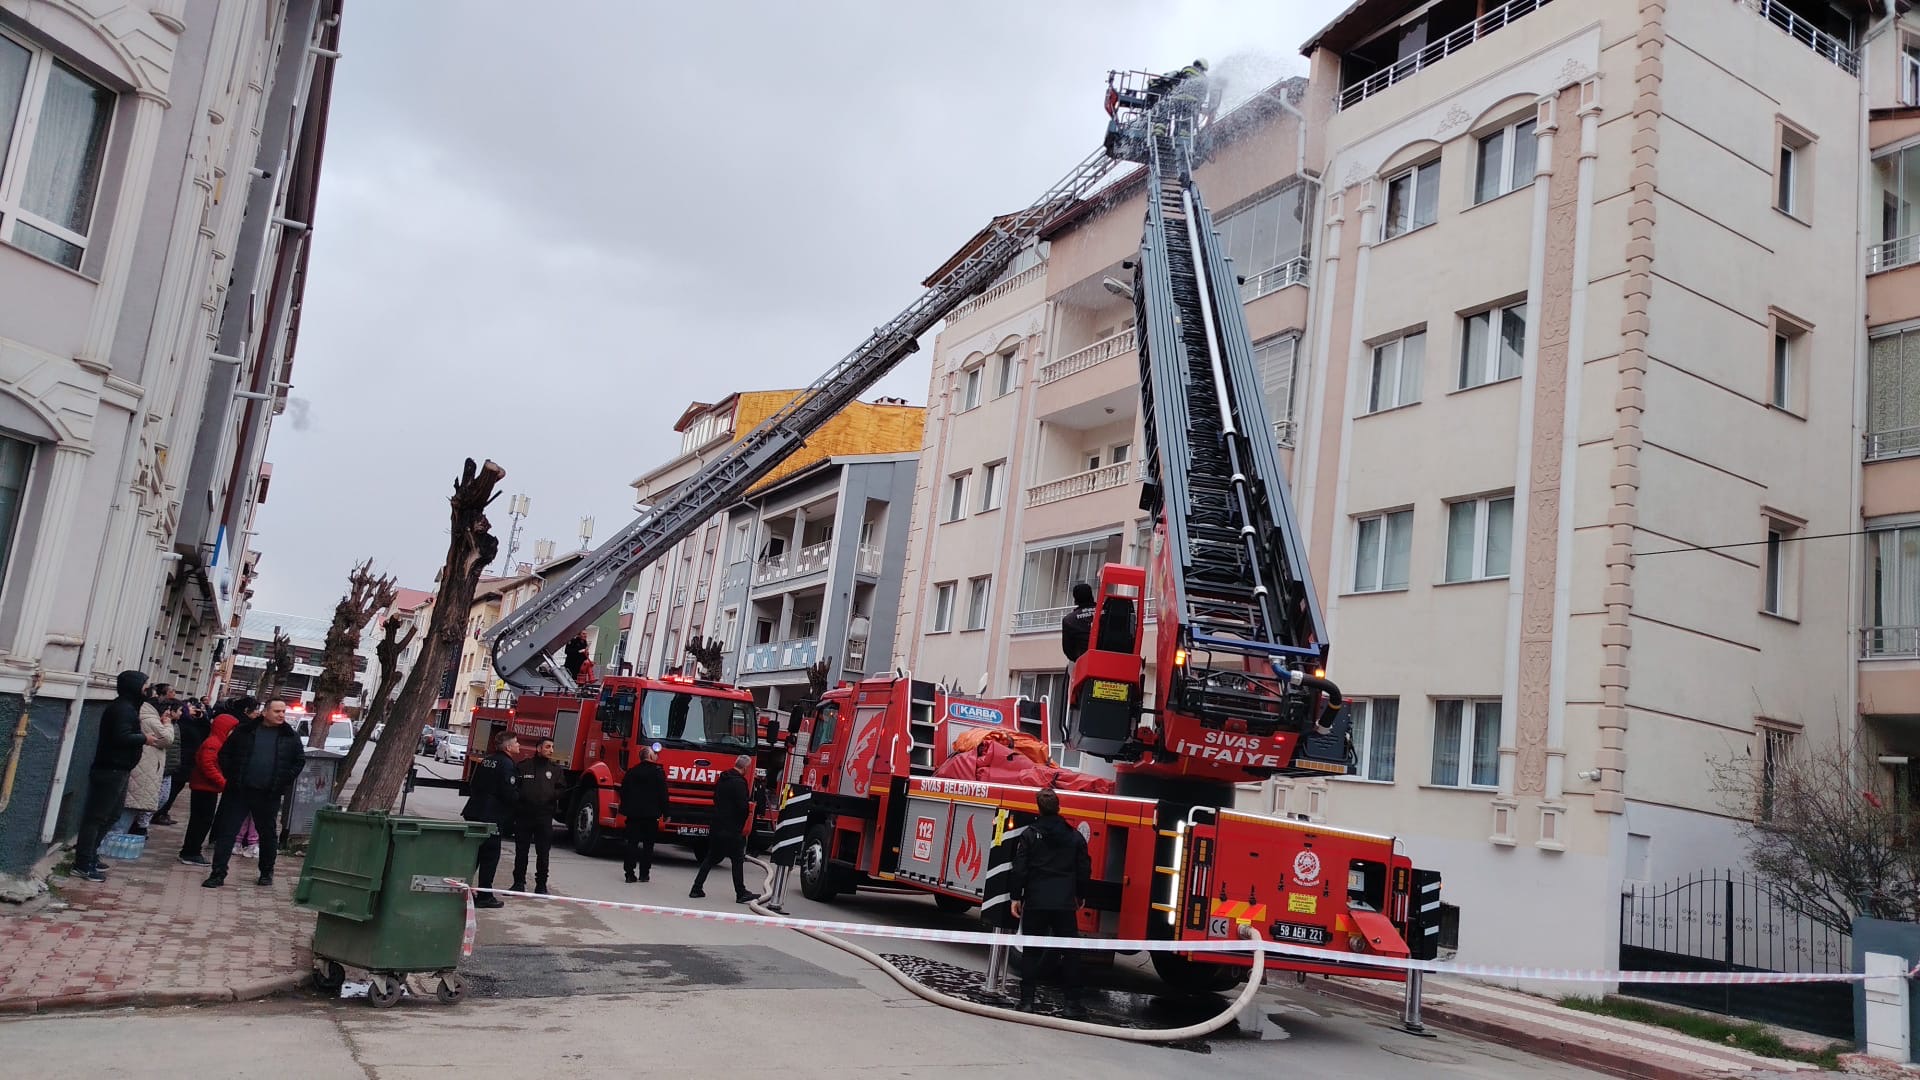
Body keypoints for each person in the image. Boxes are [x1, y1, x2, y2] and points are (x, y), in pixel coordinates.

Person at [70, 671, 164, 882]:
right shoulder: (122, 709)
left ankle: (91, 854)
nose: (148, 689)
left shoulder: (129, 707)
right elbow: (121, 736)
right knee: (96, 817)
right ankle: (82, 864)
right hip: (110, 769)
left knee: (111, 815)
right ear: (134, 687)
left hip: (120, 769)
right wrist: (144, 738)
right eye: (145, 685)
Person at [204, 699, 305, 888]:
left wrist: (284, 779)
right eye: (276, 711)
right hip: (239, 791)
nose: (281, 715)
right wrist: (232, 776)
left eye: (283, 711)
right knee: (227, 833)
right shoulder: (245, 731)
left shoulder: (289, 736)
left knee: (267, 834)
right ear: (265, 712)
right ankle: (217, 873)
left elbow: (299, 761)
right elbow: (225, 754)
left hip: (268, 794)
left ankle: (266, 872)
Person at [1009, 787, 1092, 1013]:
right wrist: (1080, 894)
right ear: (1058, 807)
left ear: (1039, 809)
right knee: (1071, 952)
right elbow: (1084, 868)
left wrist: (1016, 897)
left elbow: (1020, 868)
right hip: (1064, 903)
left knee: (1031, 952)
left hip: (1036, 901)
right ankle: (1072, 1004)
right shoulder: (1074, 836)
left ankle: (1027, 1002)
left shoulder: (1029, 834)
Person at [179, 699, 250, 865]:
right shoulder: (213, 743)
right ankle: (190, 851)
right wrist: (223, 783)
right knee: (200, 821)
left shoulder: (218, 742)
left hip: (208, 787)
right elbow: (207, 765)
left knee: (202, 821)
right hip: (204, 788)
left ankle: (192, 850)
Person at [461, 729, 518, 908]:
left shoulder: (487, 760)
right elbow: (508, 793)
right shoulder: (507, 764)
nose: (519, 746)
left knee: (472, 854)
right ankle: (484, 896)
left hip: (474, 811)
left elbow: (474, 783)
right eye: (516, 743)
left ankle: (461, 889)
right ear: (508, 747)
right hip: (491, 816)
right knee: (490, 856)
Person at [689, 754, 755, 904]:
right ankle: (741, 892)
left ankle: (696, 888)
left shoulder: (722, 779)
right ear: (745, 768)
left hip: (717, 825)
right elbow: (743, 807)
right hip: (731, 829)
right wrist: (740, 824)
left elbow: (715, 799)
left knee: (710, 858)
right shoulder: (740, 783)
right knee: (737, 860)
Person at [511, 737, 566, 895]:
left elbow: (562, 789)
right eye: (548, 747)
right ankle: (518, 883)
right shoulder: (524, 766)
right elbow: (514, 786)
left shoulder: (555, 770)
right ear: (539, 748)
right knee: (521, 851)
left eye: (552, 747)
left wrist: (550, 795)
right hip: (524, 816)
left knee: (543, 852)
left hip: (544, 816)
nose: (551, 750)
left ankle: (541, 885)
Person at [126, 697, 179, 835]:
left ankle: (138, 828)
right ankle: (134, 830)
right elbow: (167, 739)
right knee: (135, 804)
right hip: (146, 766)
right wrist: (168, 724)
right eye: (167, 710)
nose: (168, 713)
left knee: (146, 801)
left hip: (151, 765)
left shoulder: (150, 718)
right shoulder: (151, 720)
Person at [154, 698, 208, 825]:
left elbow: (205, 730)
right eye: (188, 707)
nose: (192, 709)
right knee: (169, 790)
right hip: (179, 762)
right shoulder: (180, 725)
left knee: (172, 790)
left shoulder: (188, 723)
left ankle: (162, 812)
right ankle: (159, 813)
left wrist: (201, 717)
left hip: (184, 762)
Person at [619, 744, 667, 883]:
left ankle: (629, 873)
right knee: (648, 846)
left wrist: (626, 808)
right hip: (651, 816)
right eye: (655, 754)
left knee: (632, 843)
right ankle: (644, 874)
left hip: (633, 815)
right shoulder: (658, 773)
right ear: (650, 756)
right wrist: (666, 812)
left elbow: (624, 791)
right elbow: (663, 794)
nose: (657, 756)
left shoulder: (632, 772)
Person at [1060, 582, 1096, 662]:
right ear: (1092, 596)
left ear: (1075, 600)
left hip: (1085, 663)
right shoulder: (1108, 613)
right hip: (1110, 660)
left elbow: (1068, 650)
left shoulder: (1069, 620)